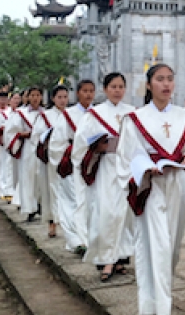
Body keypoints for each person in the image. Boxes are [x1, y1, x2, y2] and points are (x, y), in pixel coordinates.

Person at [117, 64, 185, 314]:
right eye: (160, 79)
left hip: (178, 182)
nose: (166, 84)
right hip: (152, 185)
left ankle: (159, 297)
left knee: (171, 247)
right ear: (149, 85)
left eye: (170, 79)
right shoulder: (136, 119)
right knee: (155, 245)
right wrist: (146, 167)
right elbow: (128, 156)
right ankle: (157, 307)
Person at [71, 73, 135, 282]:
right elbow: (80, 144)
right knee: (106, 213)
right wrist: (96, 148)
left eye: (121, 86)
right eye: (113, 86)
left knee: (123, 214)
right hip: (104, 168)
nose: (117, 90)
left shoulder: (133, 113)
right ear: (105, 90)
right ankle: (106, 258)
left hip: (126, 168)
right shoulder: (94, 114)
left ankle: (119, 257)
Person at [49, 80, 95, 255]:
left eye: (91, 91)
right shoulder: (68, 115)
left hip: (91, 163)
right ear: (78, 93)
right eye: (85, 91)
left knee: (88, 201)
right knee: (72, 201)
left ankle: (88, 237)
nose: (88, 94)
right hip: (73, 163)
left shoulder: (96, 114)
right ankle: (75, 240)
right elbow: (57, 142)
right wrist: (68, 154)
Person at [33, 85, 68, 238]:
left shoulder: (72, 115)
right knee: (50, 191)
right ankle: (52, 223)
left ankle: (69, 226)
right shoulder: (45, 116)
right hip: (50, 160)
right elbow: (37, 137)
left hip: (68, 159)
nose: (62, 100)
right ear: (53, 99)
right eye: (59, 97)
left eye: (65, 97)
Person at [5, 87, 45, 221]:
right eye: (32, 95)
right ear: (27, 97)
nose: (35, 98)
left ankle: (41, 205)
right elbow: (10, 132)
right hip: (27, 148)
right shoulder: (20, 113)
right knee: (27, 178)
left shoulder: (46, 113)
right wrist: (22, 134)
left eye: (38, 95)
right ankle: (30, 208)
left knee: (42, 177)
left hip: (43, 148)